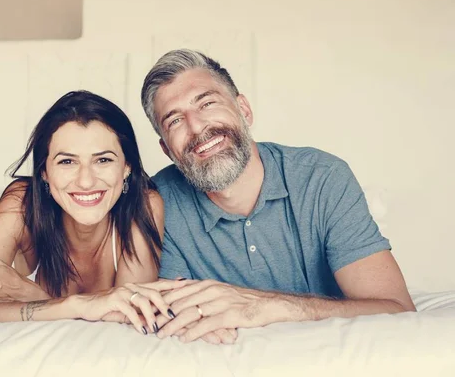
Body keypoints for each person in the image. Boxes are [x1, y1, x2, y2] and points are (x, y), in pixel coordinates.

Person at [139, 48, 416, 343]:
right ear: (167, 150)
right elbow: (166, 315)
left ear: (244, 110)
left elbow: (396, 311)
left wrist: (265, 307)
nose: (197, 127)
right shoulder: (158, 203)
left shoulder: (321, 177)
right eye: (175, 121)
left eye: (207, 103)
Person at [0, 90, 186, 335]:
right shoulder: (21, 203)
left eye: (103, 160)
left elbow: (128, 320)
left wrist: (27, 293)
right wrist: (76, 305)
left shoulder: (144, 204)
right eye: (67, 161)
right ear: (44, 171)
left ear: (126, 167)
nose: (86, 181)